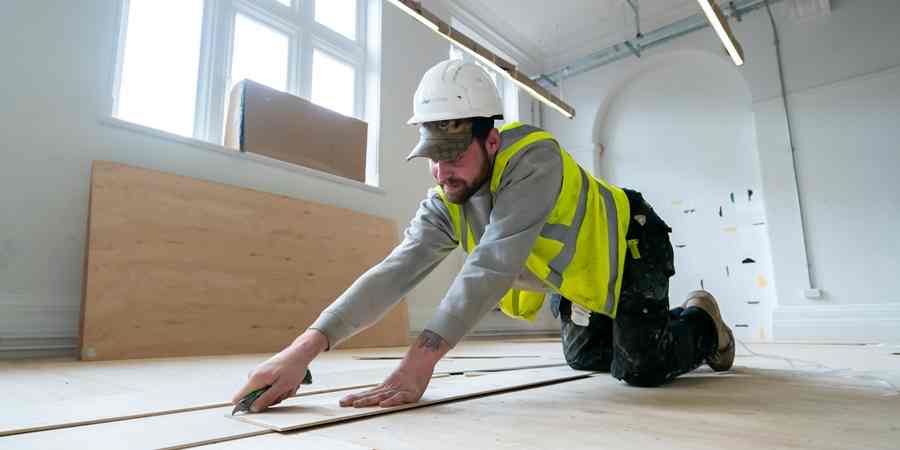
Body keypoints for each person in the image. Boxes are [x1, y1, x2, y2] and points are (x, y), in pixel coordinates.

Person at [231, 59, 735, 412]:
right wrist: (300, 351)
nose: (441, 171)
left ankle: (704, 322)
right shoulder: (446, 199)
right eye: (433, 157)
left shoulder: (535, 159)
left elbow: (492, 263)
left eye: (454, 155)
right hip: (581, 279)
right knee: (586, 359)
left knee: (640, 370)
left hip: (632, 243)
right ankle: (640, 322)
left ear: (490, 140)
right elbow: (393, 274)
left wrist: (419, 361)